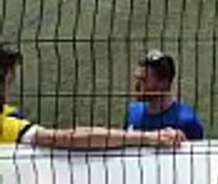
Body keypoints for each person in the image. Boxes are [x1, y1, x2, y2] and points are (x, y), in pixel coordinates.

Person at [1, 43, 184, 149]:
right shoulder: (7, 126)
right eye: (10, 82)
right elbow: (64, 138)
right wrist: (149, 138)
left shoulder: (186, 119)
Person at [126, 50, 204, 141]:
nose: (137, 86)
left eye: (143, 80)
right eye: (137, 79)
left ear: (163, 82)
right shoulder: (133, 112)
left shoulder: (187, 120)